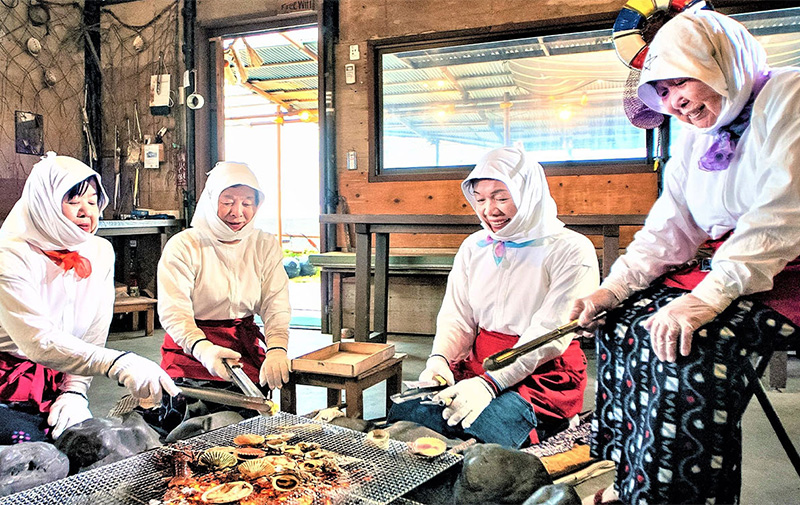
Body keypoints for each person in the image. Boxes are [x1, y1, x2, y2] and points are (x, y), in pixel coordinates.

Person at [570, 9, 800, 505]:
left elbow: (781, 216)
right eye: (663, 92)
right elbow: (670, 226)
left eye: (681, 83)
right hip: (734, 264)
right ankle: (634, 482)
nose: (675, 103)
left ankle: (679, 496)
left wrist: (706, 299)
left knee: (686, 342)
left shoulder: (790, 95)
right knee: (622, 322)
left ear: (719, 62)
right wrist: (614, 288)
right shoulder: (696, 134)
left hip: (788, 265)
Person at [388, 147, 599, 448]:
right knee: (408, 414)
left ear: (529, 192)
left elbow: (550, 332)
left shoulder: (571, 249)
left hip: (542, 371)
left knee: (485, 431)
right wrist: (440, 361)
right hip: (480, 365)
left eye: (502, 197)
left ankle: (556, 422)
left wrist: (490, 384)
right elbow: (457, 315)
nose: (490, 210)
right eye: (481, 199)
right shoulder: (474, 246)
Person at [0, 152, 180, 443]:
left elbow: (94, 330)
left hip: (59, 374)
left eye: (93, 201)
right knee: (28, 449)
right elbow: (36, 340)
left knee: (84, 447)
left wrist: (74, 391)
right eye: (73, 201)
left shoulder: (97, 251)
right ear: (43, 203)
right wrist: (118, 363)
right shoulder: (10, 253)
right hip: (6, 380)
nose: (86, 211)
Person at [155, 161, 290, 431]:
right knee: (191, 426)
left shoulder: (263, 244)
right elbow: (174, 312)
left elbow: (276, 301)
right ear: (211, 199)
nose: (237, 212)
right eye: (227, 201)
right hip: (191, 352)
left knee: (250, 428)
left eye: (247, 203)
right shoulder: (185, 246)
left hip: (243, 349)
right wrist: (203, 349)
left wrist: (277, 346)